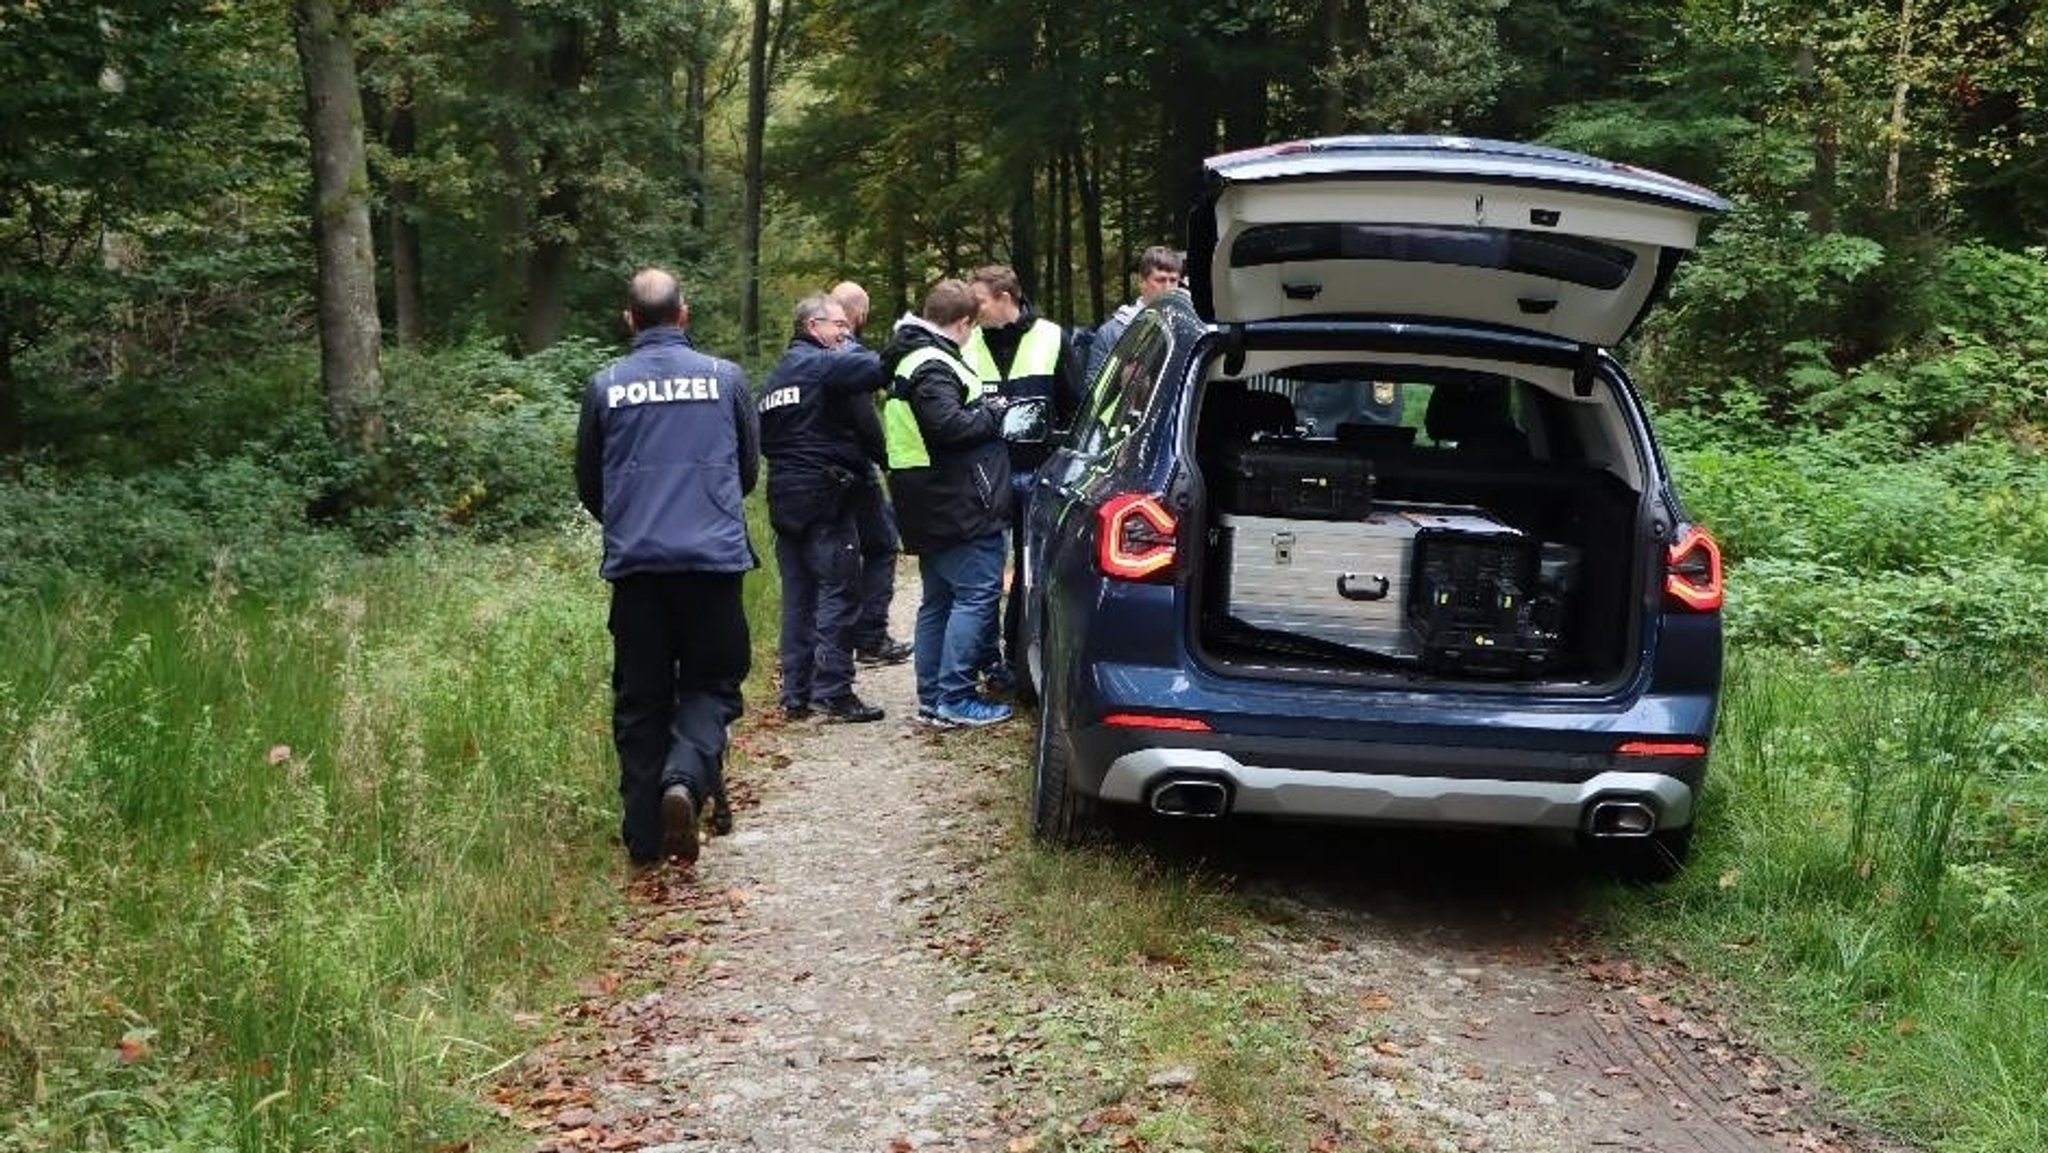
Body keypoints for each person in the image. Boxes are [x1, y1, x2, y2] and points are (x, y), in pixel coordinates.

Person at [575, 268, 756, 875]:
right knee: (713, 684)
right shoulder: (726, 379)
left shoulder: (604, 386)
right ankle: (684, 778)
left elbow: (590, 482)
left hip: (638, 569)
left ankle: (646, 838)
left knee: (641, 701)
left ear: (629, 320)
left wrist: (631, 522)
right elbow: (749, 469)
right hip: (712, 564)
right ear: (684, 314)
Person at [880, 278, 1015, 728]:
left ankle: (933, 697)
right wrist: (995, 413)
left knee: (938, 599)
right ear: (962, 323)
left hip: (929, 499)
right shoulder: (933, 364)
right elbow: (948, 427)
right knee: (975, 596)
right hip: (955, 501)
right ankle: (954, 697)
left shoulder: (911, 356)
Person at [758, 293, 889, 724]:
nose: (845, 333)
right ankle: (833, 690)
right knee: (839, 591)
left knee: (798, 598)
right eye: (839, 326)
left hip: (784, 497)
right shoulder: (821, 365)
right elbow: (874, 369)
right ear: (813, 326)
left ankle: (795, 693)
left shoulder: (776, 378)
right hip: (825, 498)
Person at [962, 264, 1081, 689]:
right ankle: (984, 660)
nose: (970, 310)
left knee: (1030, 574)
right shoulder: (967, 341)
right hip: (983, 475)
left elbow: (1075, 406)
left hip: (1036, 473)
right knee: (980, 574)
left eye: (978, 301)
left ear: (1005, 298)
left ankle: (1016, 660)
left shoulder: (1051, 337)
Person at [829, 280, 913, 667]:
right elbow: (865, 420)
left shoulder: (813, 352)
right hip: (854, 467)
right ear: (859, 315)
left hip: (822, 471)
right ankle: (870, 634)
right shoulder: (853, 357)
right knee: (880, 545)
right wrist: (887, 461)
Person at [1081, 246, 1185, 387]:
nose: (1168, 287)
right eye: (1160, 280)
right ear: (1142, 282)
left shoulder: (1188, 327)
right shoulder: (1113, 332)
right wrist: (1120, 381)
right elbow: (1092, 391)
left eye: (1173, 281)